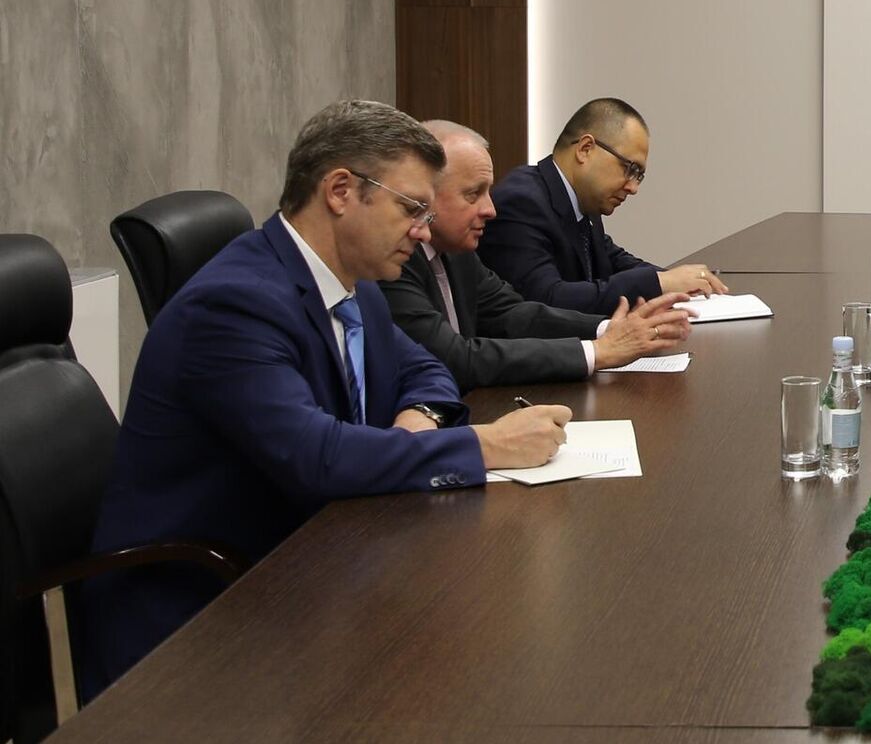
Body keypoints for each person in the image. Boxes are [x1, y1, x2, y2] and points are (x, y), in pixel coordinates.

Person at [75, 100, 572, 697]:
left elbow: (426, 368)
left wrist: (418, 420)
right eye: (411, 208)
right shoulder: (234, 305)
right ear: (340, 191)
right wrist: (484, 446)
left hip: (312, 560)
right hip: (202, 612)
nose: (423, 231)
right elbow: (316, 457)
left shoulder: (353, 282)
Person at [381, 121, 693, 391]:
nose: (490, 209)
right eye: (473, 194)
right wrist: (596, 352)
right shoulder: (392, 259)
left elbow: (513, 315)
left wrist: (608, 330)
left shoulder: (457, 250)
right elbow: (455, 358)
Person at [479, 98, 729, 314]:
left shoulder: (581, 200)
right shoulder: (522, 201)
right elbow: (546, 300)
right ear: (585, 149)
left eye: (639, 176)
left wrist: (678, 280)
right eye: (630, 169)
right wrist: (658, 282)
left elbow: (612, 260)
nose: (633, 187)